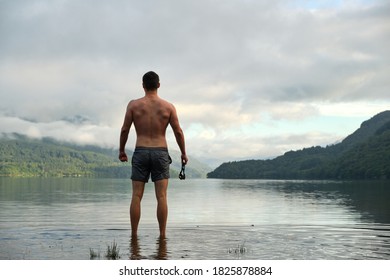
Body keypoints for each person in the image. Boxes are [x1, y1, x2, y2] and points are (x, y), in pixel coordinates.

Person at [119, 71, 188, 238]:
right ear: (158, 85)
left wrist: (121, 150)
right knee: (162, 196)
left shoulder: (133, 105)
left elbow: (125, 129)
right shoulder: (168, 107)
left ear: (143, 85)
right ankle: (162, 236)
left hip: (141, 151)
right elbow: (178, 132)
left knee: (136, 195)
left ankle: (134, 235)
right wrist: (183, 153)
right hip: (160, 152)